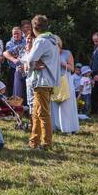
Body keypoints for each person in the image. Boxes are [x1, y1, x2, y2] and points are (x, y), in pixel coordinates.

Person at [27, 15, 60, 150]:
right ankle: (34, 142)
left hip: (42, 81)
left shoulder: (41, 41)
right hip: (47, 81)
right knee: (36, 113)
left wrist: (32, 64)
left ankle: (46, 143)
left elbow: (30, 59)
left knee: (43, 114)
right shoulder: (53, 40)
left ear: (34, 28)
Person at [51, 36, 80, 135]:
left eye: (55, 45)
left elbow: (72, 68)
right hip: (54, 80)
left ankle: (68, 128)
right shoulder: (50, 54)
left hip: (65, 80)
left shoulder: (67, 53)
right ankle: (56, 126)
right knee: (54, 103)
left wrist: (62, 63)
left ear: (59, 44)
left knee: (66, 104)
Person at [4, 27, 27, 101]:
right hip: (13, 69)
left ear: (21, 33)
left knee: (25, 89)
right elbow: (8, 54)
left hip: (25, 69)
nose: (15, 35)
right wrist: (16, 57)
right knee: (14, 90)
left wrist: (16, 55)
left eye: (17, 33)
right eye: (14, 34)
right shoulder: (9, 43)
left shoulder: (26, 41)